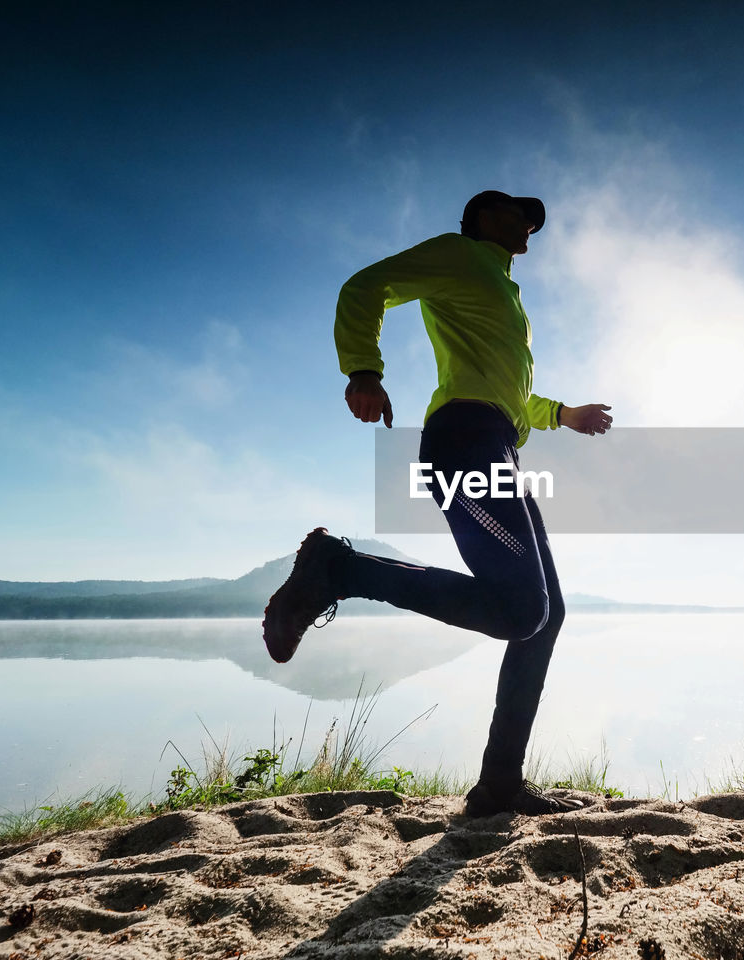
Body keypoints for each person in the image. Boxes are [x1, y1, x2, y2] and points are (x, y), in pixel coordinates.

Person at [262, 190, 613, 817]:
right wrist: (363, 369)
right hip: (464, 442)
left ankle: (500, 784)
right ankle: (338, 568)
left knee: (545, 614)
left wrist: (562, 414)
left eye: (534, 219)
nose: (530, 223)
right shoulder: (458, 255)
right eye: (516, 211)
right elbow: (366, 287)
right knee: (522, 610)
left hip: (494, 441)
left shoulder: (507, 297)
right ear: (480, 217)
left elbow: (509, 397)